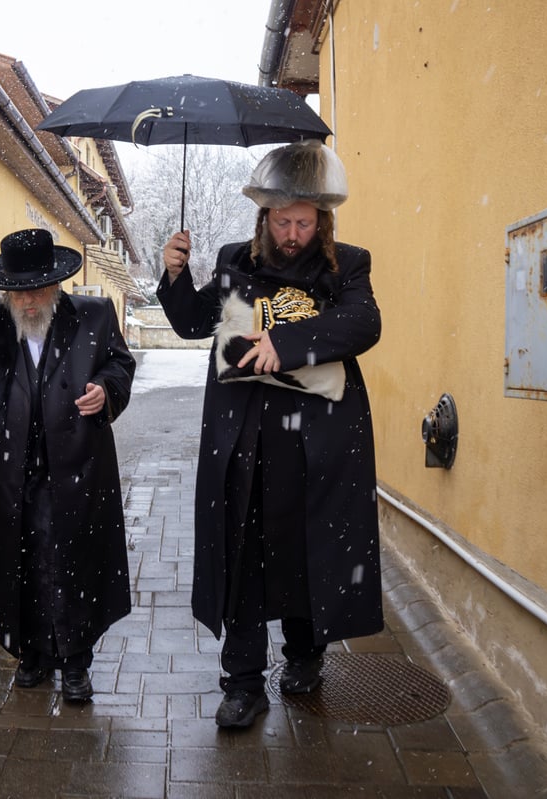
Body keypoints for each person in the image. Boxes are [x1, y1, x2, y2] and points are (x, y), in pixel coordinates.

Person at [157, 139, 384, 729]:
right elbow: (189, 324)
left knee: (311, 553)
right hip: (245, 444)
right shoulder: (236, 261)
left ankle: (305, 657)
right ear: (264, 218)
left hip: (315, 447)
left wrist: (287, 343)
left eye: (303, 222)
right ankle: (243, 682)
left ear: (322, 221)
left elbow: (364, 322)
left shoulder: (345, 266)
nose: (291, 233)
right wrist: (175, 276)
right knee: (244, 559)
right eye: (281, 220)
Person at [0, 228, 135, 702]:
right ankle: (29, 654)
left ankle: (76, 663)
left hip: (77, 467)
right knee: (23, 565)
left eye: (37, 290)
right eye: (19, 292)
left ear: (56, 284)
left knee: (72, 563)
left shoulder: (93, 317)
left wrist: (106, 389)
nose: (29, 302)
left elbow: (120, 365)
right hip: (11, 476)